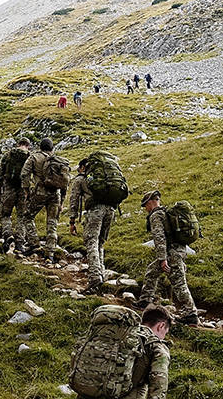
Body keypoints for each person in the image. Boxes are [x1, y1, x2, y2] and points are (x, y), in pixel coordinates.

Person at [69, 305, 173, 399]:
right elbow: (159, 383)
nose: (164, 336)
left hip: (87, 391)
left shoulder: (110, 333)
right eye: (165, 332)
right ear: (161, 326)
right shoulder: (156, 345)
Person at [134, 190, 198, 325]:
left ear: (151, 202)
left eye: (145, 205)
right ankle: (145, 300)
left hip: (171, 254)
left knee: (179, 283)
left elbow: (159, 238)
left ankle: (191, 313)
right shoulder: (166, 213)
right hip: (178, 251)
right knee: (151, 272)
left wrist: (162, 259)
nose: (145, 209)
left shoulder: (156, 216)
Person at [69, 152, 128, 294]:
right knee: (100, 242)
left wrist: (72, 220)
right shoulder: (104, 179)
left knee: (91, 242)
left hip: (95, 210)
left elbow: (74, 199)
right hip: (110, 209)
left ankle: (95, 278)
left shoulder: (81, 179)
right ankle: (101, 273)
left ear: (83, 167)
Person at [20, 138, 67, 260]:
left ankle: (34, 244)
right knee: (52, 222)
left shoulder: (34, 157)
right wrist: (62, 201)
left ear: (40, 147)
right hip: (55, 194)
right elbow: (64, 182)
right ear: (52, 148)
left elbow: (24, 174)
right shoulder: (58, 160)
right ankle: (50, 251)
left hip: (39, 192)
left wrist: (26, 190)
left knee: (27, 216)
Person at [0, 138, 32, 251]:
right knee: (21, 216)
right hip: (23, 190)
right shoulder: (30, 156)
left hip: (9, 188)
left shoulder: (8, 155)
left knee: (5, 214)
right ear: (28, 145)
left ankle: (8, 235)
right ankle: (19, 243)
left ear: (18, 144)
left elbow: (0, 171)